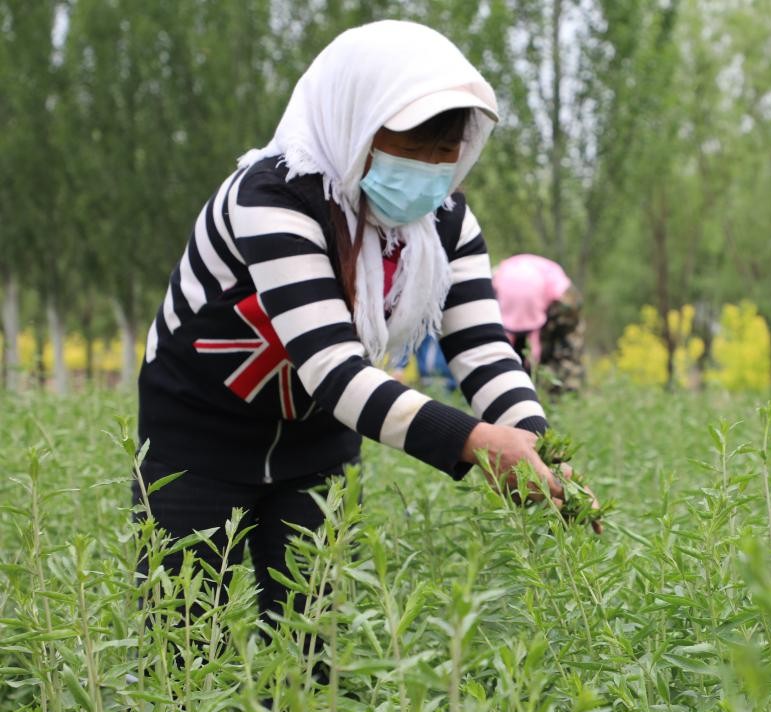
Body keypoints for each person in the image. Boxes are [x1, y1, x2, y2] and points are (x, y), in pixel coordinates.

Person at [135, 21, 592, 641]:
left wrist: (533, 443)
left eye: (445, 151)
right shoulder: (273, 197)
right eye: (410, 145)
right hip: (198, 440)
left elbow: (481, 347)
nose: (429, 170)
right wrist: (477, 443)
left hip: (318, 447)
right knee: (181, 647)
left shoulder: (446, 220)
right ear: (360, 125)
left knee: (310, 652)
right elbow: (332, 368)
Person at [493, 254, 584, 395]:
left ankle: (560, 402)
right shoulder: (491, 285)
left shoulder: (565, 301)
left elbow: (569, 355)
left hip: (554, 305)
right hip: (506, 305)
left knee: (563, 362)